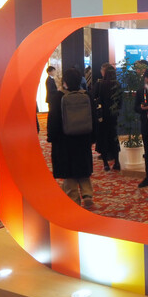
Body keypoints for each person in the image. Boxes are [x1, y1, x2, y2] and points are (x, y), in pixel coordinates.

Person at [47, 68, 97, 207]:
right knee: (83, 167)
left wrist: (52, 137)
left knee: (68, 170)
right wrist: (93, 137)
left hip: (64, 140)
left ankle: (73, 199)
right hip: (84, 138)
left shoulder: (58, 97)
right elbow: (94, 118)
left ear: (65, 81)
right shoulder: (87, 95)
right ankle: (87, 194)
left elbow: (53, 119)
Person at [94, 64, 122, 171]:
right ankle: (117, 162)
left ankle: (105, 164)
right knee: (114, 138)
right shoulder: (117, 84)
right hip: (113, 115)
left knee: (103, 139)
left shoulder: (100, 84)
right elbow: (120, 102)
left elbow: (95, 98)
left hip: (103, 116)